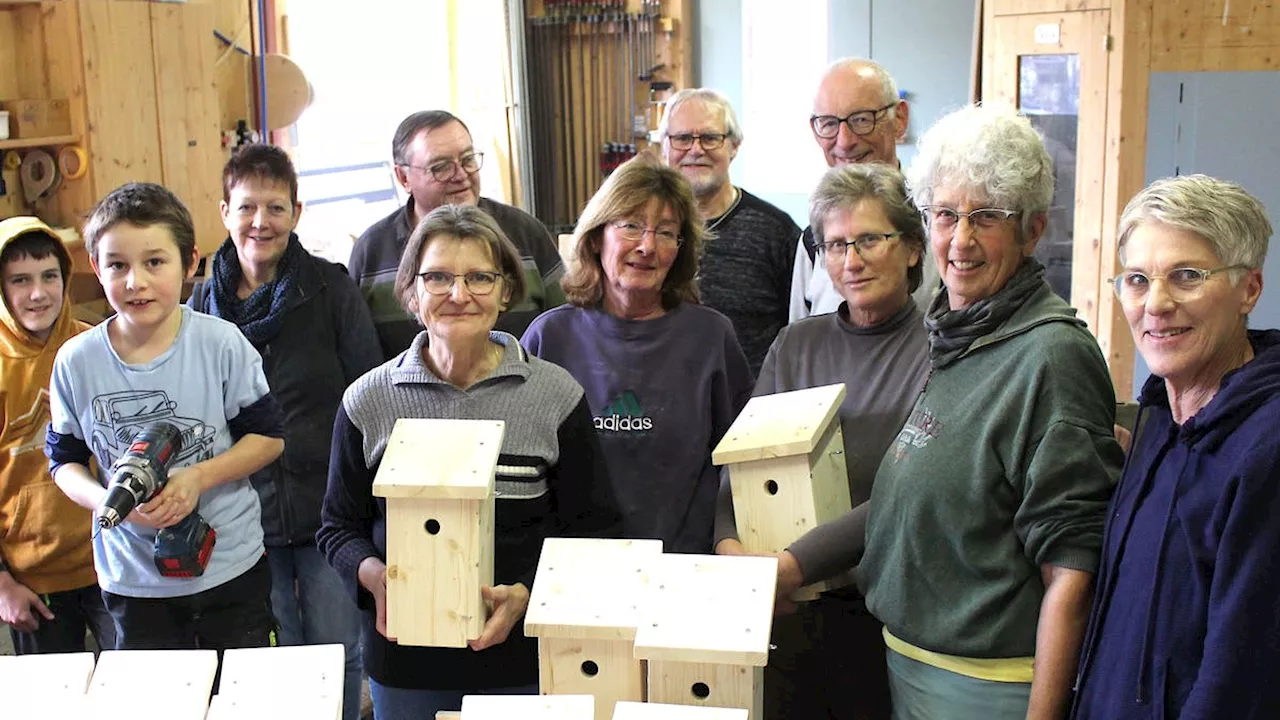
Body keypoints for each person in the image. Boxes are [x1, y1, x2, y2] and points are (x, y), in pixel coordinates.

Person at [857, 104, 1122, 720]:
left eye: (988, 217)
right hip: (914, 673)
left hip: (987, 689)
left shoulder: (1050, 355)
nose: (961, 239)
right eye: (946, 214)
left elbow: (1073, 571)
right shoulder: (962, 334)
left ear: (1032, 231)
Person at [317, 204, 621, 720]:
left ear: (506, 291)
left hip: (523, 662)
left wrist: (526, 594)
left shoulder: (553, 395)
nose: (459, 295)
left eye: (480, 277)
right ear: (411, 293)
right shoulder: (367, 401)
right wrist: (373, 577)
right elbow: (337, 527)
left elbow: (595, 528)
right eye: (438, 277)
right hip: (406, 667)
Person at [715, 163, 930, 720]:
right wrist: (731, 549)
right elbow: (742, 462)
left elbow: (906, 490)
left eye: (868, 240)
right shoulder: (795, 345)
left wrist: (795, 563)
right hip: (780, 608)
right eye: (834, 245)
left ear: (911, 247)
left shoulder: (941, 350)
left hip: (877, 614)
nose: (851, 261)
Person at [1071, 175, 1280, 719]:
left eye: (1187, 276)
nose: (1156, 303)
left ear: (1249, 289)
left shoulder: (1267, 447)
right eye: (1137, 280)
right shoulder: (1157, 421)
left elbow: (1242, 673)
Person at [47, 183, 285, 651]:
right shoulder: (75, 362)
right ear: (96, 267)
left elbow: (268, 437)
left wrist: (197, 477)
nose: (135, 281)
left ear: (190, 262)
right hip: (133, 583)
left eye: (155, 262)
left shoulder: (221, 343)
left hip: (230, 569)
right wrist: (110, 503)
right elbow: (64, 462)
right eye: (117, 265)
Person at [188, 145, 379, 720]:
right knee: (276, 651)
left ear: (297, 213)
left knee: (340, 646)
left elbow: (367, 392)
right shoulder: (200, 305)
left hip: (327, 507)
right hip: (241, 510)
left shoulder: (330, 288)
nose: (260, 222)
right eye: (247, 207)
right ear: (224, 211)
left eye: (275, 208)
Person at [522, 156, 753, 554]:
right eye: (631, 226)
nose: (647, 246)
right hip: (573, 573)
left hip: (687, 567)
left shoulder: (712, 337)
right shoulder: (549, 337)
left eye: (666, 233)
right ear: (597, 237)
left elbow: (743, 463)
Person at [350, 110, 566, 358]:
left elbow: (566, 328)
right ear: (403, 177)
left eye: (468, 159)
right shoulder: (372, 251)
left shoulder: (526, 232)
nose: (461, 175)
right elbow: (362, 356)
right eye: (441, 167)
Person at [0, 217, 113, 655]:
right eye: (20, 280)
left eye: (49, 276)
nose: (37, 293)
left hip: (112, 563)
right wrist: (3, 584)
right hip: (32, 579)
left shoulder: (95, 349)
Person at [658, 88, 800, 377]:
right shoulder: (644, 233)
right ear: (665, 147)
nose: (695, 150)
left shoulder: (775, 231)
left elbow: (800, 329)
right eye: (683, 138)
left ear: (734, 145)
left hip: (754, 412)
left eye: (710, 138)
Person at [789, 58, 938, 321]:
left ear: (900, 119)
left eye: (861, 119)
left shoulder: (941, 226)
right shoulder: (812, 241)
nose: (845, 142)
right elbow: (799, 347)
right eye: (829, 123)